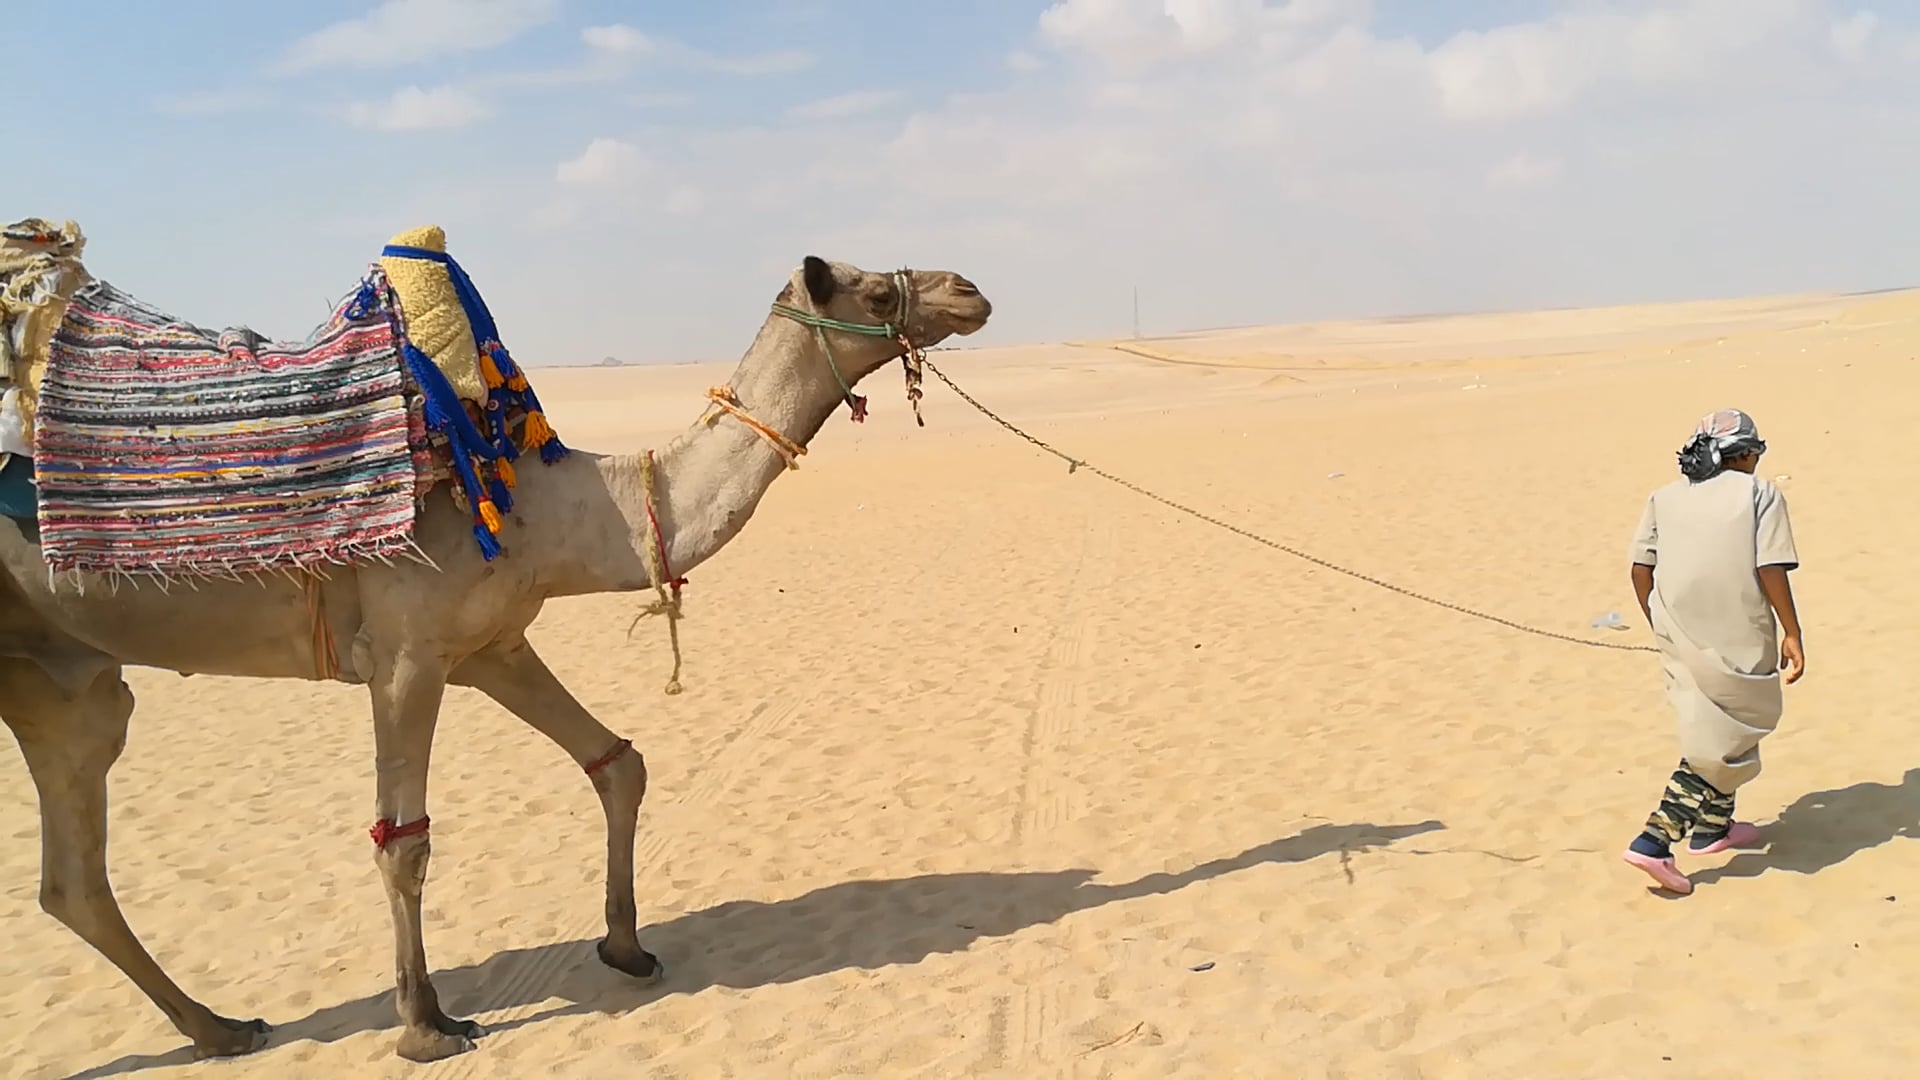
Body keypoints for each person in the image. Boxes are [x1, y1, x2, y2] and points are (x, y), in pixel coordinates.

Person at [1620, 408, 1804, 895]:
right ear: (1742, 455)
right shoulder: (1759, 493)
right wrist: (1793, 631)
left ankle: (1712, 830)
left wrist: (1658, 620)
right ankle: (1655, 840)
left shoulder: (1663, 497)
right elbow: (1770, 568)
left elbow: (1641, 568)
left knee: (1716, 724)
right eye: (1755, 454)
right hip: (1739, 633)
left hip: (1677, 633)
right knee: (1726, 737)